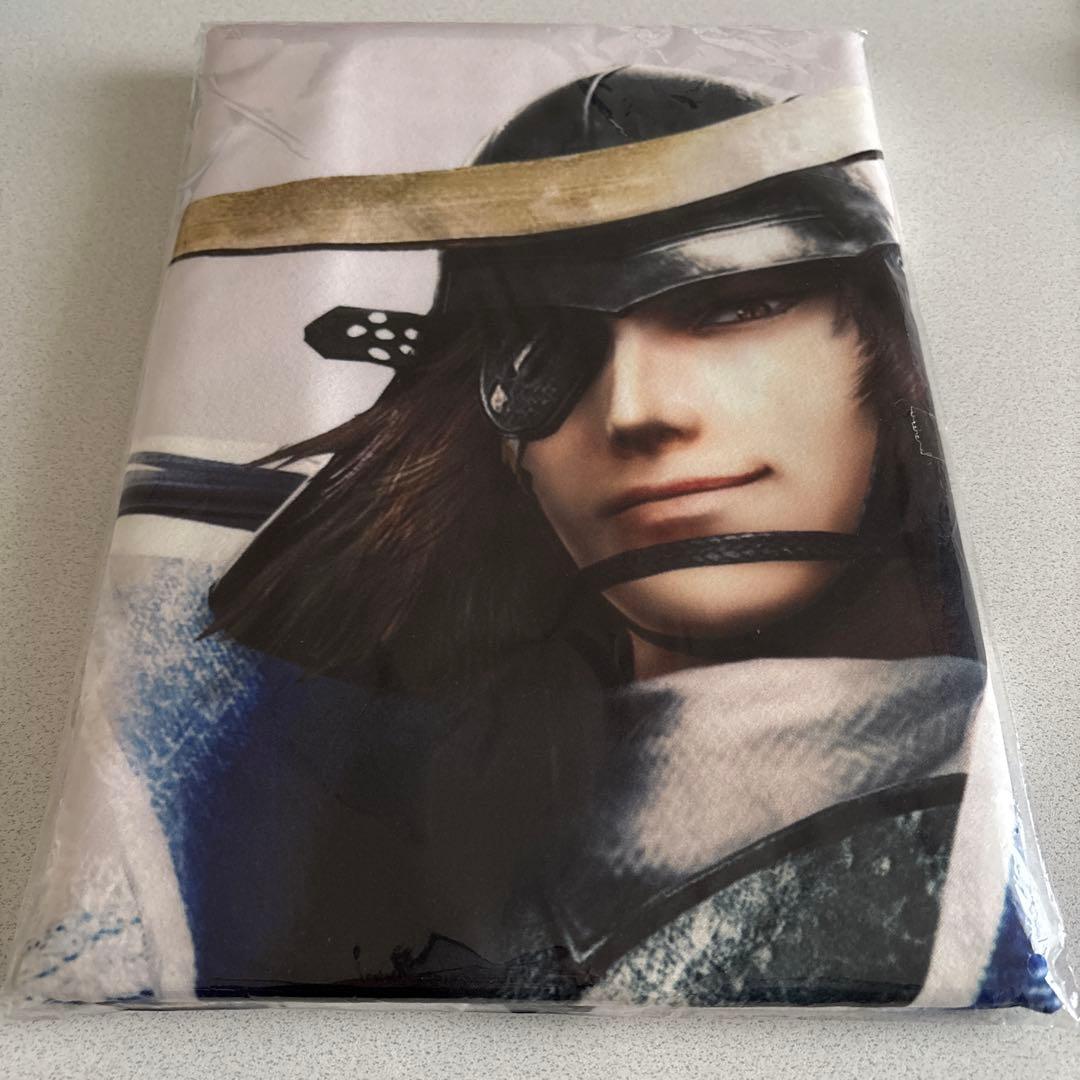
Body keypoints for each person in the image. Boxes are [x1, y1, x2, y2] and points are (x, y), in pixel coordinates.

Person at [190, 67, 989, 1005]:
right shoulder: (337, 811)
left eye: (732, 306)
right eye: (542, 355)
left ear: (883, 351)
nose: (634, 412)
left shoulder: (971, 789)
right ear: (505, 447)